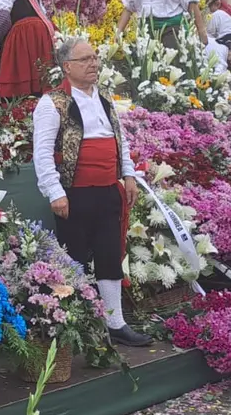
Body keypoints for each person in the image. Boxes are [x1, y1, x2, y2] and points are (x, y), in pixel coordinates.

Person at [33, 35, 150, 348]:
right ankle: (79, 323)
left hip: (108, 190)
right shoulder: (52, 103)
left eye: (95, 58)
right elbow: (42, 152)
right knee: (75, 259)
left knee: (110, 255)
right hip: (75, 193)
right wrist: (55, 192)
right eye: (85, 59)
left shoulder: (105, 98)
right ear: (67, 66)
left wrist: (128, 174)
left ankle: (115, 323)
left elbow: (119, 140)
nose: (94, 64)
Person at [0, 0, 55, 98]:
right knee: (39, 70)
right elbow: (43, 14)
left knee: (20, 69)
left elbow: (3, 18)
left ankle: (19, 103)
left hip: (22, 34)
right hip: (40, 33)